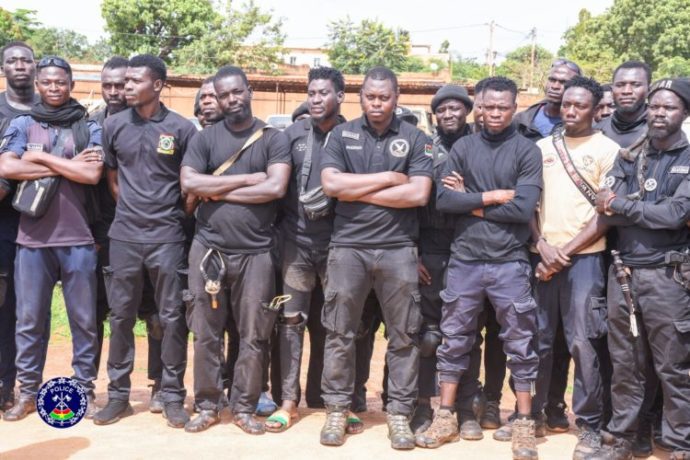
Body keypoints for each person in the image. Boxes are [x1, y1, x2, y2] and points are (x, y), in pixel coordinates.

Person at [417, 76, 542, 460]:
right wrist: (492, 196)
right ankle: (446, 416)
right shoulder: (464, 147)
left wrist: (469, 200)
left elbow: (523, 209)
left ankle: (523, 422)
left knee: (520, 344)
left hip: (510, 262)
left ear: (515, 108)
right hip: (465, 260)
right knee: (454, 340)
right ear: (479, 108)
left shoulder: (527, 151)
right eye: (488, 107)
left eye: (503, 107)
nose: (495, 114)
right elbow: (444, 202)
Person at [318, 66, 432, 450]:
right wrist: (388, 178)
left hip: (398, 249)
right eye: (370, 97)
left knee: (404, 335)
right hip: (348, 248)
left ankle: (398, 414)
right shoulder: (342, 135)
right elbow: (331, 184)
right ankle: (337, 409)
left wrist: (355, 191)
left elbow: (418, 194)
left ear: (396, 98)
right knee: (340, 331)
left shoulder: (415, 138)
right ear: (360, 97)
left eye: (384, 97)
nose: (377, 103)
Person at [180, 65, 290, 434]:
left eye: (236, 92)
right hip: (208, 250)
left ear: (249, 90)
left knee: (253, 334)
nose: (231, 99)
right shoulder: (205, 139)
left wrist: (216, 190)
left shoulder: (273, 139)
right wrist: (245, 179)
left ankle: (244, 407)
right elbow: (190, 182)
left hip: (256, 253)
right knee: (206, 333)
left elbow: (274, 188)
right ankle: (208, 405)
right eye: (223, 95)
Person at [587, 78, 690, 460]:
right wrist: (633, 210)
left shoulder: (688, 158)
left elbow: (676, 214)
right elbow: (604, 209)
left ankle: (680, 444)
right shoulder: (629, 156)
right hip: (624, 274)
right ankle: (621, 440)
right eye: (655, 106)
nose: (660, 113)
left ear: (684, 113)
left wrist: (623, 205)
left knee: (674, 367)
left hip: (668, 278)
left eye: (669, 107)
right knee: (627, 365)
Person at [93, 54, 197, 428]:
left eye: (135, 81)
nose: (126, 87)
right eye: (125, 81)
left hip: (167, 238)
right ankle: (118, 396)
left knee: (170, 317)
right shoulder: (114, 125)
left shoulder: (182, 129)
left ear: (157, 85)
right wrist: (133, 212)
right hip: (124, 236)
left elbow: (190, 189)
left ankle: (172, 395)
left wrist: (170, 217)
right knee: (121, 316)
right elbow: (113, 179)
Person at [0, 55, 103, 421]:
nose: (54, 88)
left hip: (78, 238)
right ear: (38, 86)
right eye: (47, 82)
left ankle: (84, 390)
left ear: (71, 85)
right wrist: (70, 165)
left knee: (83, 322)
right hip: (31, 240)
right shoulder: (23, 123)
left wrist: (41, 161)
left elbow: (92, 175)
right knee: (29, 322)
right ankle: (28, 393)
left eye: (61, 82)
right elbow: (6, 165)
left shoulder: (88, 125)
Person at [529, 76, 619, 460]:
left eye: (579, 105)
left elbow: (606, 216)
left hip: (585, 262)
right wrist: (541, 245)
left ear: (596, 110)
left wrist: (561, 253)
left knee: (584, 343)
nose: (570, 110)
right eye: (566, 104)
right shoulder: (541, 148)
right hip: (543, 258)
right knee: (539, 340)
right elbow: (528, 204)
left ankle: (589, 426)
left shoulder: (609, 151)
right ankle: (532, 415)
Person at [265, 67, 347, 432]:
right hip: (296, 244)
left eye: (323, 93)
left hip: (340, 246)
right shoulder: (291, 135)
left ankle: (337, 403)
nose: (316, 99)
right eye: (311, 93)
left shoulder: (353, 135)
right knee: (291, 323)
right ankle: (288, 401)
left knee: (339, 325)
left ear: (340, 96)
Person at [90, 56, 167, 413]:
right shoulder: (98, 125)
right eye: (109, 85)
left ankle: (161, 386)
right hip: (110, 235)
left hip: (157, 235)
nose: (117, 90)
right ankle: (106, 391)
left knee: (159, 314)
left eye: (125, 83)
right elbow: (103, 180)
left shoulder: (169, 126)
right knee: (110, 313)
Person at [411, 84, 482, 440]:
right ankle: (424, 405)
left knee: (468, 333)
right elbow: (412, 202)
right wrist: (413, 251)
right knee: (428, 334)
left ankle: (465, 409)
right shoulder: (424, 147)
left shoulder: (480, 145)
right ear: (434, 114)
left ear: (467, 111)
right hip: (431, 248)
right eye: (442, 109)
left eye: (456, 108)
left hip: (471, 248)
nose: (449, 114)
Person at [0, 41, 40, 413]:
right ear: (3, 69)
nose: (19, 65)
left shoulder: (50, 109)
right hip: (4, 222)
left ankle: (25, 386)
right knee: (3, 306)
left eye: (25, 60)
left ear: (35, 66)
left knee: (29, 310)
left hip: (42, 224)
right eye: (12, 60)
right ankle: (3, 384)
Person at [514, 59, 581, 140]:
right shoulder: (521, 120)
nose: (555, 86)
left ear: (577, 87)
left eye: (563, 82)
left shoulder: (584, 124)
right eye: (552, 80)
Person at [597, 61, 651, 148]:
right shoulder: (597, 132)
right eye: (620, 85)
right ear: (612, 91)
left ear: (649, 90)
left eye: (636, 85)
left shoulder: (662, 131)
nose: (626, 91)